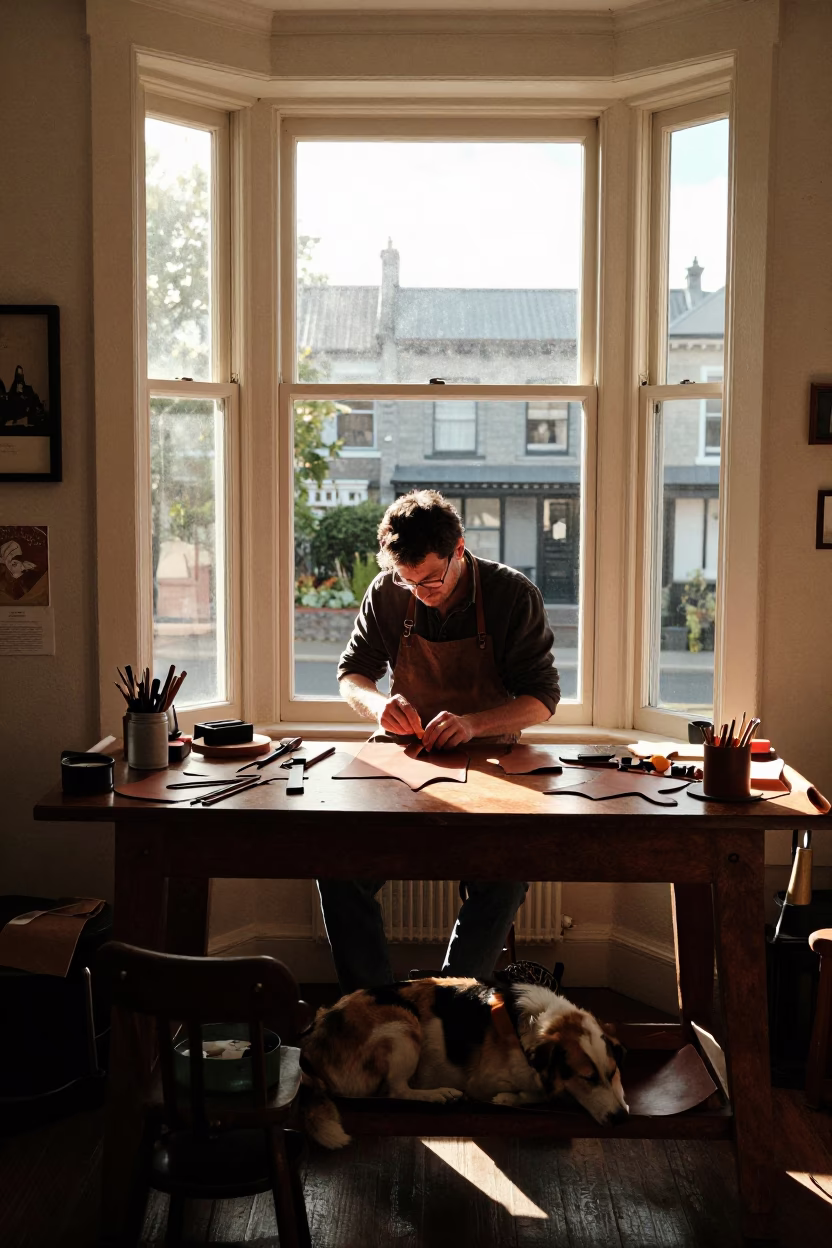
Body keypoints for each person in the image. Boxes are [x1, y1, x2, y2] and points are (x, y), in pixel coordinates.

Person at [318, 489, 561, 993]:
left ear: (460, 549)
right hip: (407, 758)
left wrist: (472, 724)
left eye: (430, 578)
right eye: (408, 581)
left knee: (505, 874)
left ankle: (449, 1004)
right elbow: (352, 675)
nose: (419, 591)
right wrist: (379, 706)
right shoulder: (389, 591)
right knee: (338, 864)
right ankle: (374, 1006)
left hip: (491, 758)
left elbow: (542, 698)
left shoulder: (511, 595)